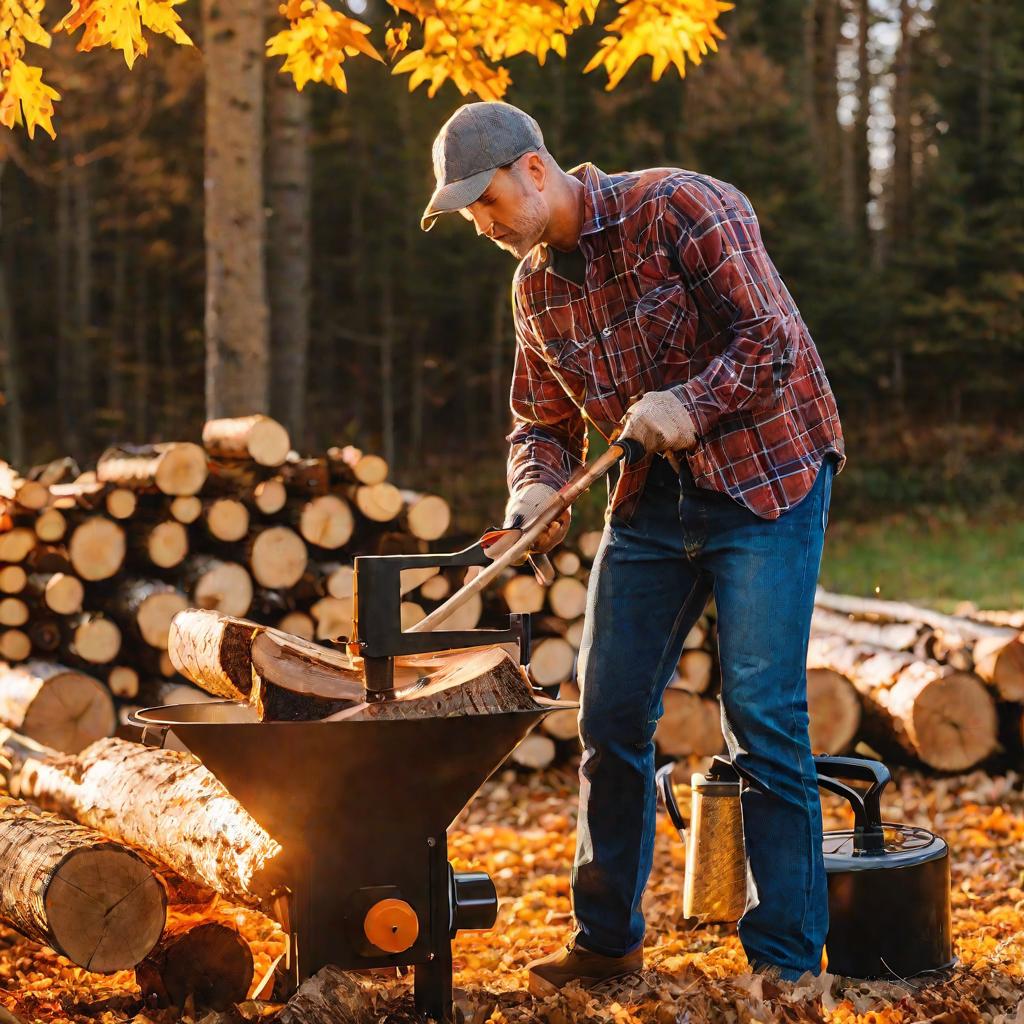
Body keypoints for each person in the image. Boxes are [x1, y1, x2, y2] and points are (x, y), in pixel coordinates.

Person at [420, 100, 845, 992]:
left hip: (766, 479)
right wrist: (533, 486)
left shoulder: (681, 207)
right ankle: (607, 943)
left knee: (762, 718)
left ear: (534, 169)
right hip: (653, 506)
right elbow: (537, 421)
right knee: (609, 719)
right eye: (468, 213)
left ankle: (787, 964)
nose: (483, 224)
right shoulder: (534, 284)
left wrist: (690, 404)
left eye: (487, 201)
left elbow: (772, 339)